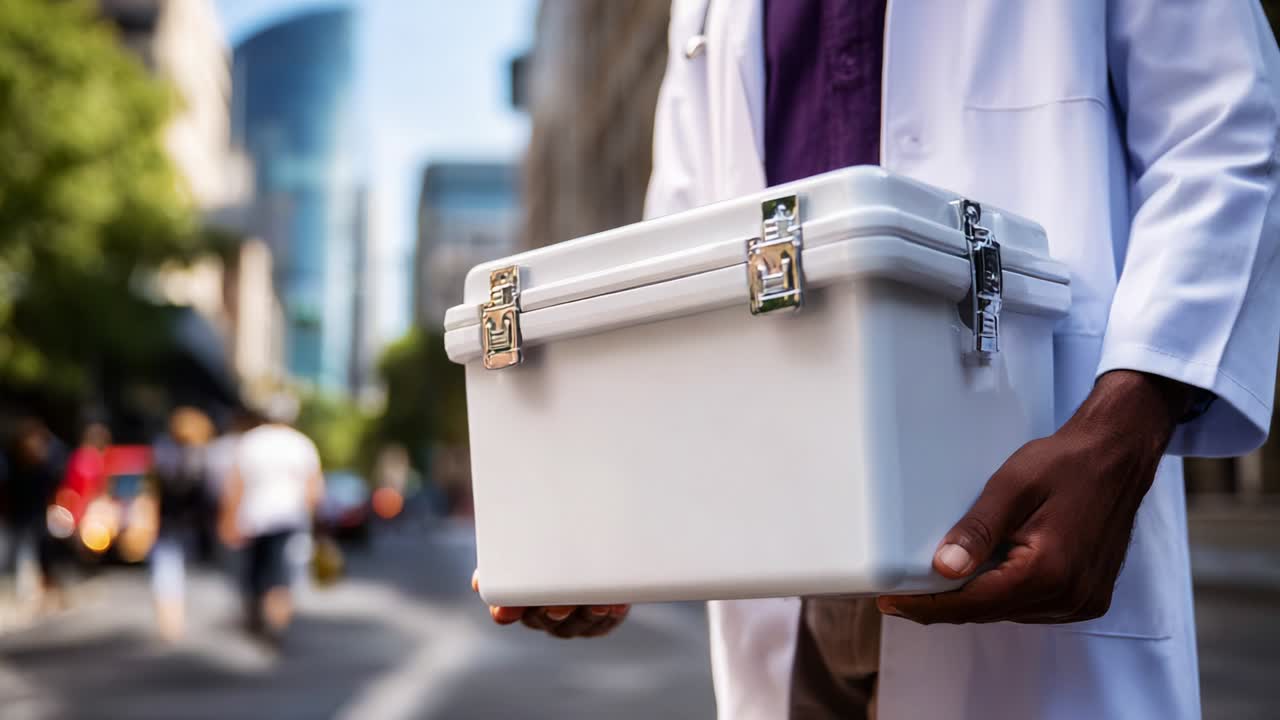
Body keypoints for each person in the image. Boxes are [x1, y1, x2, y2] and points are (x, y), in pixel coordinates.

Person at [478, 2, 1280, 719]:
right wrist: (615, 524)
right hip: (790, 596)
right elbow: (679, 270)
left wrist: (1126, 424)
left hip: (1019, 519)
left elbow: (1222, 124)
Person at [219, 404, 323, 645]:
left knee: (255, 571)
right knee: (281, 575)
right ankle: (276, 624)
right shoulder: (301, 444)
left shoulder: (251, 441)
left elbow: (235, 485)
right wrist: (314, 522)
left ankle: (257, 616)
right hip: (289, 518)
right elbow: (314, 489)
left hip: (253, 518)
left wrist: (228, 519)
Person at [149, 406, 216, 641]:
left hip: (167, 523)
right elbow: (210, 495)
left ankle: (169, 620)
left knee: (166, 573)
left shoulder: (163, 454)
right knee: (175, 573)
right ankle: (174, 620)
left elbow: (153, 492)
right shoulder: (203, 456)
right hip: (190, 525)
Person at [3, 419, 68, 607]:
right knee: (20, 556)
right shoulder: (14, 464)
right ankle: (29, 594)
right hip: (20, 517)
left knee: (39, 555)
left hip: (37, 519)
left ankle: (41, 593)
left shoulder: (45, 465)